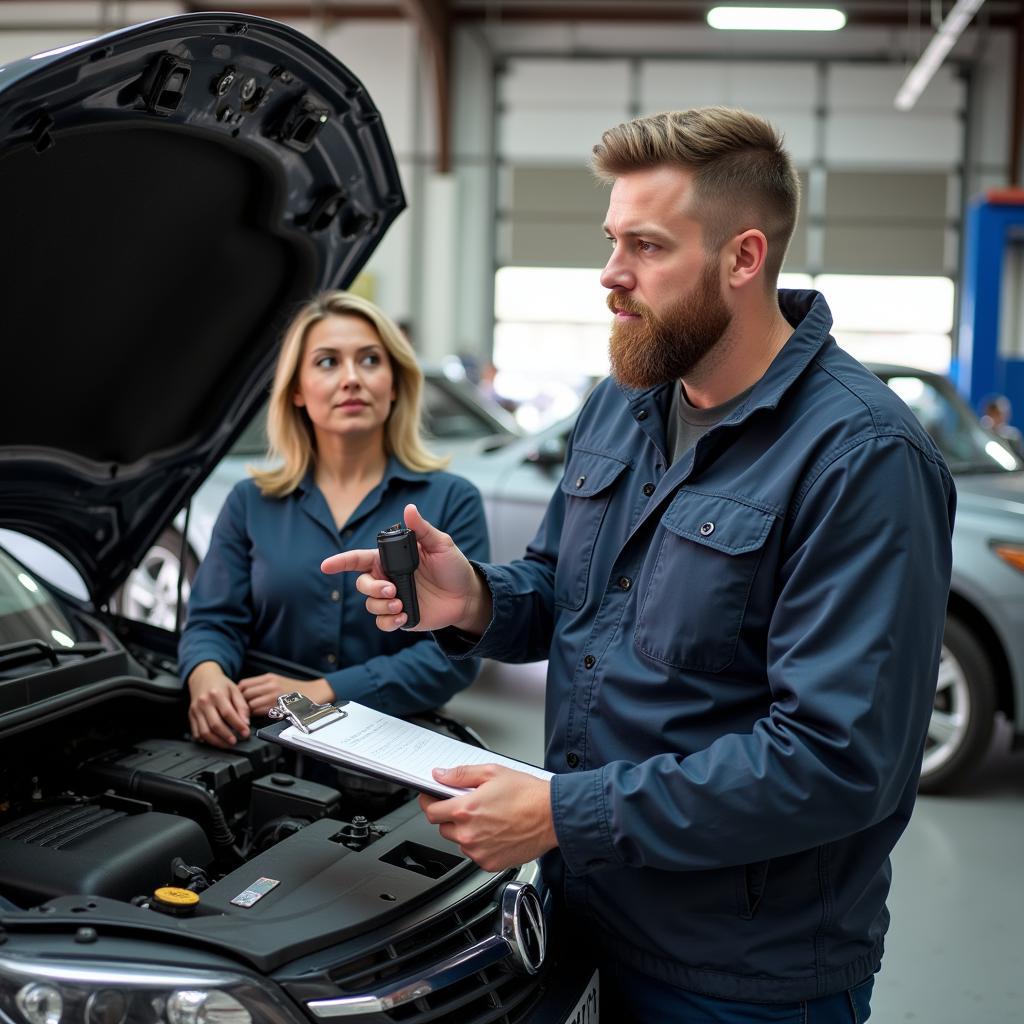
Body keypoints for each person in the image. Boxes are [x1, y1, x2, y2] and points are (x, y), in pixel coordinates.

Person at [322, 108, 955, 1022]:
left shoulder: (860, 457)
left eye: (647, 247)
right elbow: (566, 594)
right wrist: (475, 601)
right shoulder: (624, 402)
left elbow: (838, 760)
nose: (612, 276)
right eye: (612, 240)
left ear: (743, 258)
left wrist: (561, 815)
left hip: (738, 973)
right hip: (579, 916)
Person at [179, 292, 488, 750]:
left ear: (395, 383)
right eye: (327, 362)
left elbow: (453, 659)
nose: (351, 379)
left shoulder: (450, 501)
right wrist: (205, 676)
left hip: (389, 758)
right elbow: (212, 621)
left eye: (369, 360)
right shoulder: (249, 502)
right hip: (262, 746)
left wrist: (328, 691)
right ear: (298, 390)